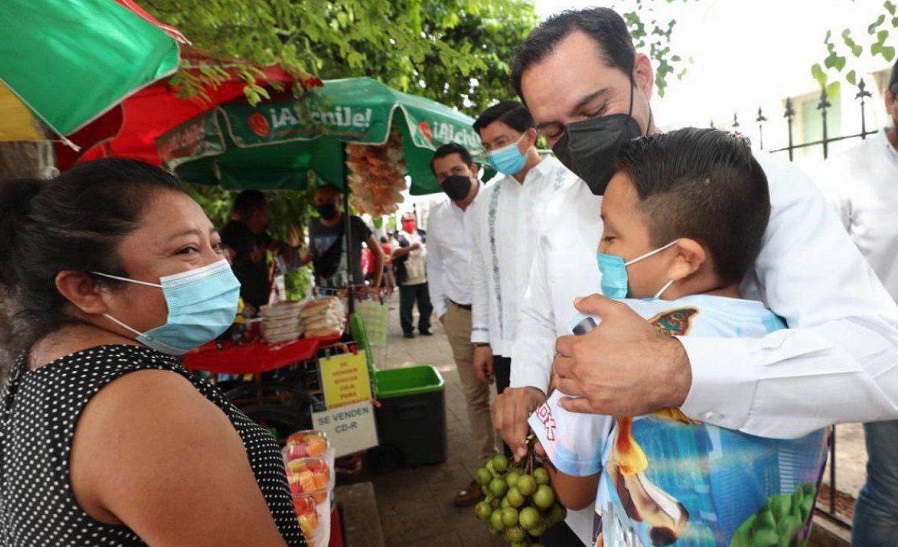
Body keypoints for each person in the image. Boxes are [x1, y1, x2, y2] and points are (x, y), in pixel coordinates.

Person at [491, 7, 898, 544]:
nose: (578, 139)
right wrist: (523, 382)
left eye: (593, 109)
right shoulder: (560, 208)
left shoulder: (751, 190)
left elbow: (879, 361)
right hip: (595, 517)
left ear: (641, 75)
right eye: (554, 130)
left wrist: (680, 369)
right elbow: (539, 311)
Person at [530, 128, 829, 546]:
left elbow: (572, 492)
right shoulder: (799, 342)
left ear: (683, 258)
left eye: (611, 235)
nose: (600, 249)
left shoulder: (604, 338)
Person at [0, 159, 304, 546]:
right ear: (85, 289)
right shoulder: (142, 402)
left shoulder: (40, 368)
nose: (219, 268)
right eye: (187, 250)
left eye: (215, 244)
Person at [814, 60, 898, 547]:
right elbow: (822, 274)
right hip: (886, 356)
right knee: (891, 490)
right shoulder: (849, 172)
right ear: (890, 102)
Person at [469, 101, 568, 451]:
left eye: (502, 141)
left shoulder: (568, 183)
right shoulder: (486, 201)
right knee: (520, 436)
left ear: (530, 136)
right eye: (488, 147)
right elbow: (480, 271)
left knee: (565, 436)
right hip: (508, 340)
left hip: (562, 338)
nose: (495, 152)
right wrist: (481, 340)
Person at [425, 143, 497, 506]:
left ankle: (528, 468)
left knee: (516, 390)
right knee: (474, 397)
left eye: (455, 172)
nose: (449, 180)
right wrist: (440, 309)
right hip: (459, 316)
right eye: (441, 176)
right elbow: (434, 265)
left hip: (503, 317)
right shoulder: (437, 217)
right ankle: (490, 474)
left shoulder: (498, 202)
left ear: (472, 168)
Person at [220, 190, 294, 315]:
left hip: (259, 306)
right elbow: (220, 271)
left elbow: (277, 247)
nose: (268, 215)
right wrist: (237, 303)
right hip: (241, 310)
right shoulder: (231, 234)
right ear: (256, 213)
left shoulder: (258, 233)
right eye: (266, 211)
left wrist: (286, 249)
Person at [302, 186, 383, 292]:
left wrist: (375, 286)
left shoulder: (354, 223)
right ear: (315, 202)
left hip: (354, 293)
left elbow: (379, 253)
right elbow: (311, 254)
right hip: (324, 294)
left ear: (339, 202)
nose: (325, 204)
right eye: (320, 201)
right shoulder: (313, 225)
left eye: (330, 200)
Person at [391, 211, 433, 338]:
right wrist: (410, 249)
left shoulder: (422, 234)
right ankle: (408, 330)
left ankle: (425, 327)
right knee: (407, 306)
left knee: (426, 304)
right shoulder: (398, 236)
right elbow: (395, 252)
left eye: (412, 220)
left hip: (424, 276)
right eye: (407, 221)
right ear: (402, 222)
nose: (410, 223)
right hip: (408, 278)